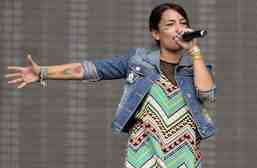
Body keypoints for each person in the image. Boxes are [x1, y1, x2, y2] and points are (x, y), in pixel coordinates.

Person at [5, 3, 216, 168]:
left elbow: (207, 94)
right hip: (145, 151)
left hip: (185, 153)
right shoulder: (137, 61)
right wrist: (43, 72)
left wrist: (194, 51)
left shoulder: (195, 68)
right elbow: (89, 69)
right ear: (156, 33)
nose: (178, 28)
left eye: (182, 22)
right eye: (170, 24)